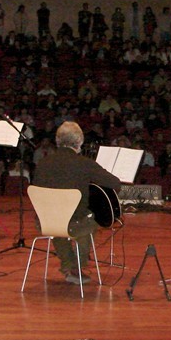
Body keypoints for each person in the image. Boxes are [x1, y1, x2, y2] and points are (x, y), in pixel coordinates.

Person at [33, 121, 121, 285]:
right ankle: (76, 267)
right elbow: (115, 184)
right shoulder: (84, 164)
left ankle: (68, 266)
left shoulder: (42, 163)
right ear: (80, 142)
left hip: (44, 222)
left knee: (58, 218)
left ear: (58, 141)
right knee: (91, 218)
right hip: (73, 223)